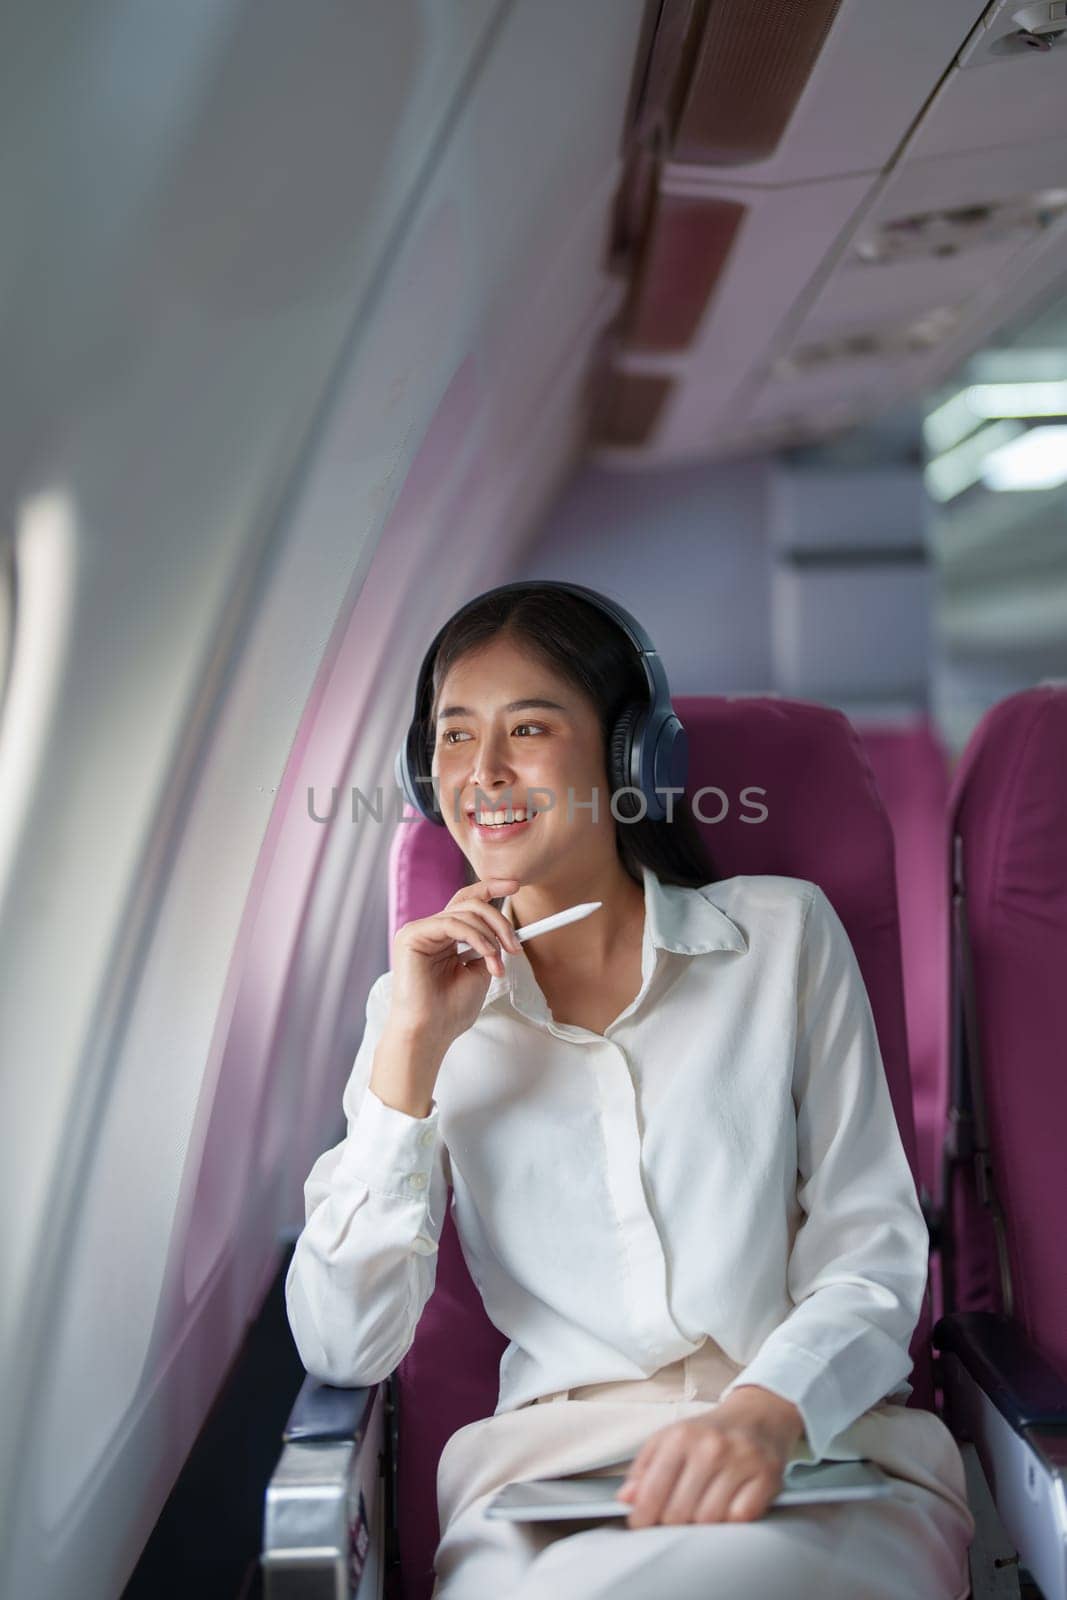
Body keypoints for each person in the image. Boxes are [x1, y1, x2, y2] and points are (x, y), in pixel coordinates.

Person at [285, 584, 976, 1599]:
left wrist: (766, 1408)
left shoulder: (779, 939)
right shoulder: (414, 1009)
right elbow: (345, 1345)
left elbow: (868, 1250)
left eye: (527, 727)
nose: (482, 773)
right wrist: (410, 1061)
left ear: (628, 759)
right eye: (453, 735)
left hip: (809, 1455)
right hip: (548, 1493)